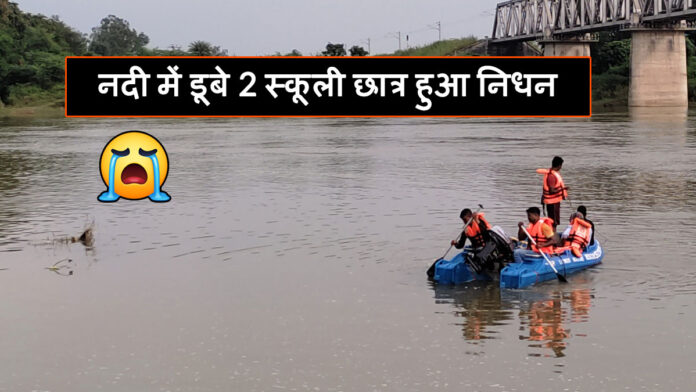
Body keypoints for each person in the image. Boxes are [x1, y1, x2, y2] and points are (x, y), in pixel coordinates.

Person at [540, 156, 569, 230]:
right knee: (553, 222)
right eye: (561, 165)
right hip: (552, 203)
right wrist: (563, 189)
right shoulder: (551, 176)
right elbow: (551, 191)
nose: (561, 168)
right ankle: (553, 237)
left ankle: (553, 235)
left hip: (555, 201)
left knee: (555, 221)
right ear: (559, 165)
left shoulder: (554, 173)